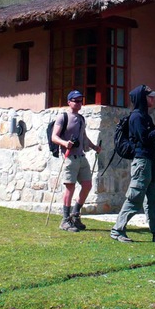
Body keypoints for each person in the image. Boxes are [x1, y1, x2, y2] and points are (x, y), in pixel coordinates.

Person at [110, 85, 155, 243]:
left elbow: (152, 135)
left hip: (149, 162)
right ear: (142, 98)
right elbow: (145, 139)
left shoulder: (145, 116)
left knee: (153, 198)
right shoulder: (137, 117)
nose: (152, 98)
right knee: (135, 197)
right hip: (141, 162)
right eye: (150, 96)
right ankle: (117, 230)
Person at [50, 90, 101, 232]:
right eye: (76, 101)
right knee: (70, 187)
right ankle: (65, 220)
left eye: (81, 101)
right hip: (69, 157)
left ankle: (75, 214)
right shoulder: (63, 117)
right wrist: (65, 143)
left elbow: (84, 136)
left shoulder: (82, 119)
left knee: (87, 185)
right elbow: (54, 137)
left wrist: (94, 147)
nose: (79, 103)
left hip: (81, 156)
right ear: (69, 102)